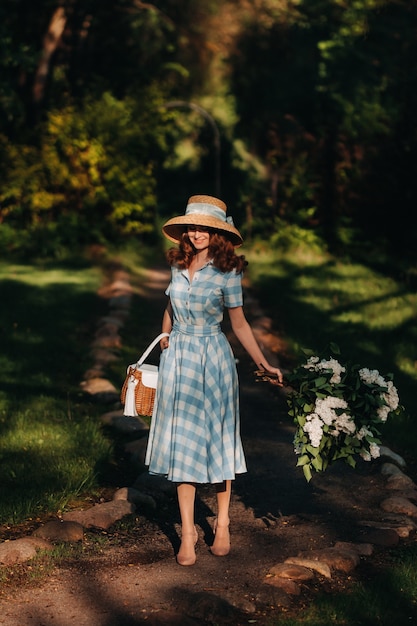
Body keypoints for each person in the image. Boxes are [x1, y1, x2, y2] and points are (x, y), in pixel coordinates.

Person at [145, 194, 283, 566]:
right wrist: (165, 342)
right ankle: (188, 532)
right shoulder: (177, 265)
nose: (196, 233)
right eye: (192, 227)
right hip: (179, 360)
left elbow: (238, 322)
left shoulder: (228, 271)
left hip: (214, 358)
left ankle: (222, 522)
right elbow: (169, 309)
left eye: (204, 227)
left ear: (217, 232)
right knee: (183, 443)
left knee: (219, 439)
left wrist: (263, 362)